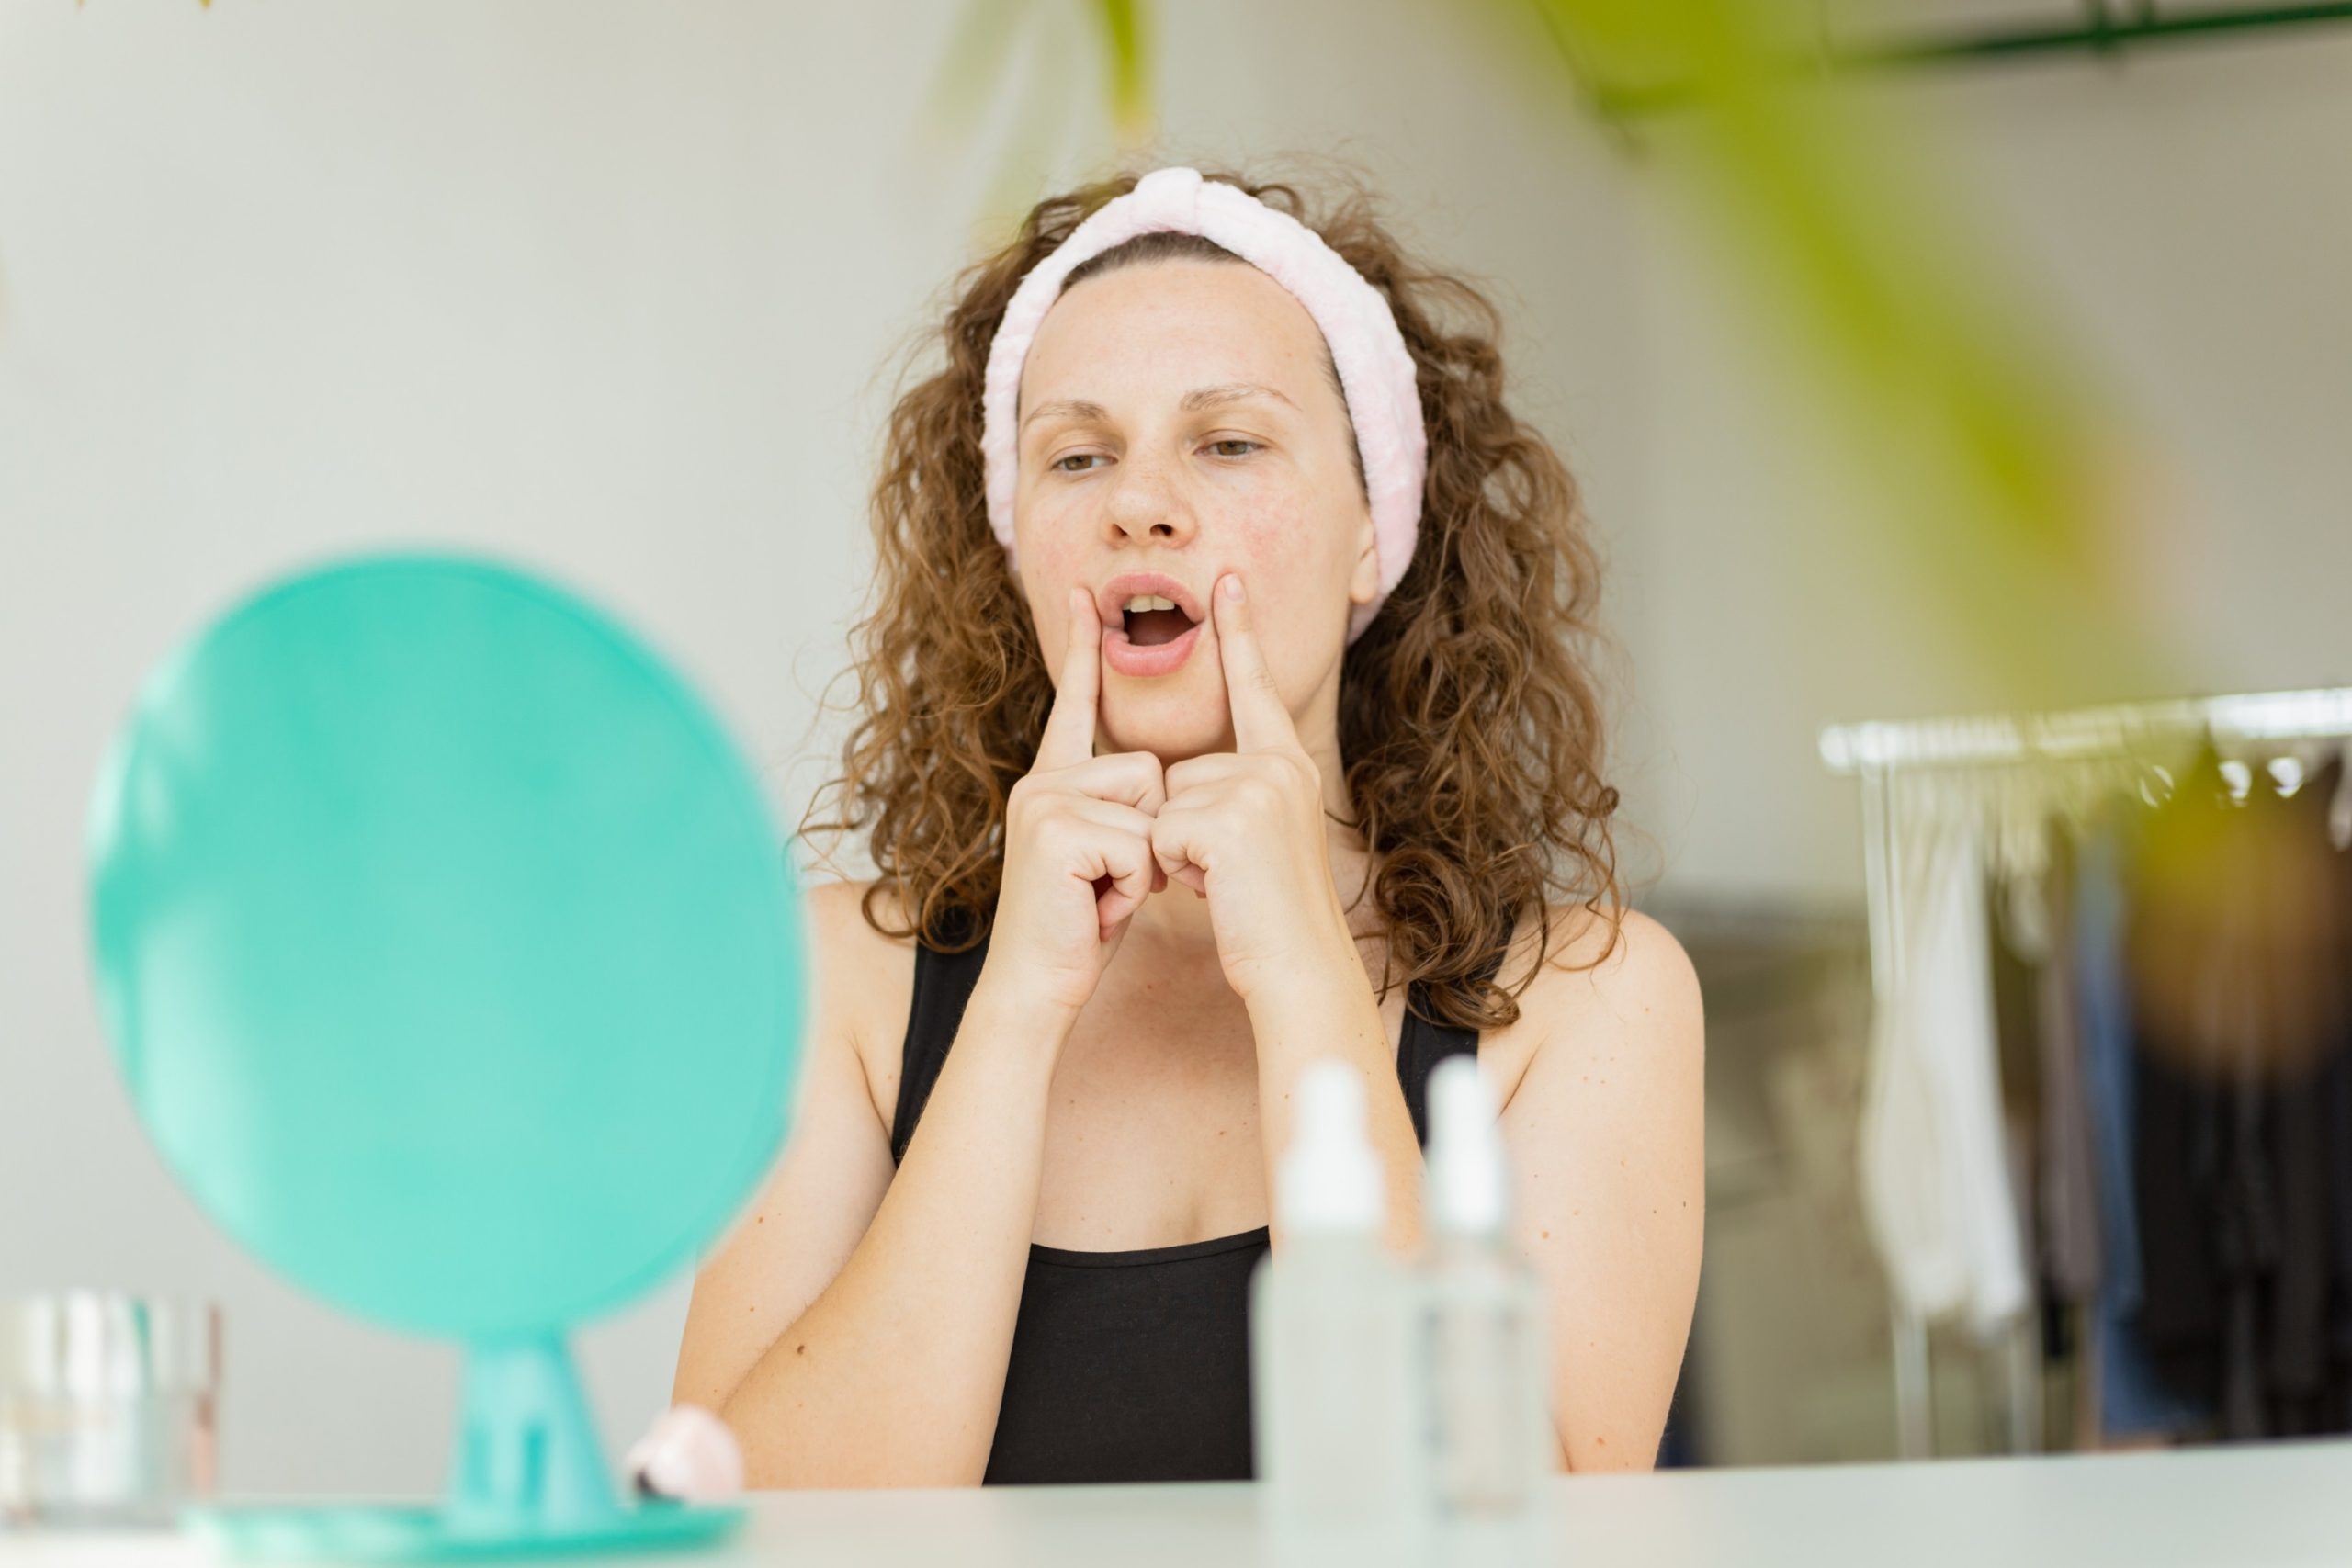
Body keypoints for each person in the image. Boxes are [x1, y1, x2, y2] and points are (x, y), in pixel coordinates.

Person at [669, 160, 1704, 1487]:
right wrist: (1014, 1013)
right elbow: (756, 1537)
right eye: (1078, 455)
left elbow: (1518, 1534)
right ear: (1016, 545)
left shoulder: (1590, 1001)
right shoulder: (834, 989)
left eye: (1228, 441)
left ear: (1376, 533)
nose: (1138, 503)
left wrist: (1307, 990)